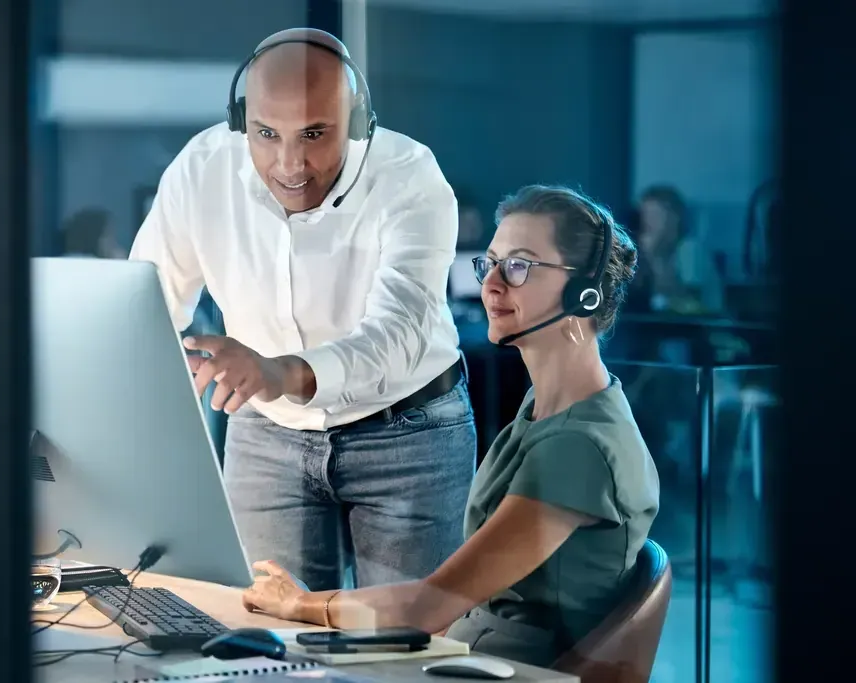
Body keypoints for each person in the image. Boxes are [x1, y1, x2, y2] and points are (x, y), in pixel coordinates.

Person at [241, 185, 660, 667]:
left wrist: (302, 604)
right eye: (491, 263)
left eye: (520, 265)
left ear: (585, 294)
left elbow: (431, 605)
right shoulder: (550, 409)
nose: (492, 284)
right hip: (474, 656)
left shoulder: (577, 447)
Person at [129, 28, 476, 592]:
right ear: (241, 121)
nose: (290, 164)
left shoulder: (409, 176)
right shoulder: (203, 169)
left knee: (405, 647)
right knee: (271, 639)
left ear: (358, 122)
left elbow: (398, 333)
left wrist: (278, 371)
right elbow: (144, 303)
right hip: (266, 432)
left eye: (314, 134)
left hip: (408, 432)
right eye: (266, 134)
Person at [630, 184, 724, 315]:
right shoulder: (660, 251)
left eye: (655, 215)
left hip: (702, 329)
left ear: (674, 218)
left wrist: (653, 256)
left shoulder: (690, 249)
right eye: (645, 215)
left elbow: (687, 300)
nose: (648, 222)